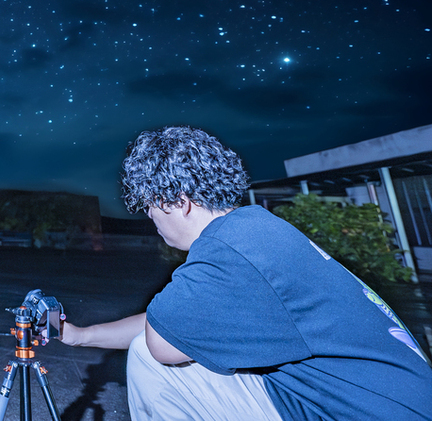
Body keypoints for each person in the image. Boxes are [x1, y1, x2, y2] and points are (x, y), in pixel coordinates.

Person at [60, 126, 432, 421]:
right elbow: (179, 321)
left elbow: (161, 342)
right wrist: (81, 336)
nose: (151, 219)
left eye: (150, 207)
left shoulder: (227, 248)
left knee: (149, 358)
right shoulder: (255, 228)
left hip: (357, 413)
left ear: (180, 203)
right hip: (372, 403)